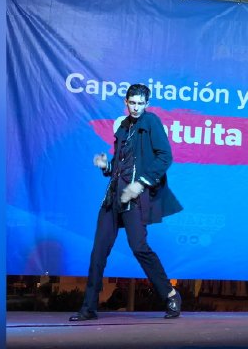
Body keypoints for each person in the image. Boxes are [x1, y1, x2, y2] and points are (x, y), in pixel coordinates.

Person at [69, 84, 184, 321]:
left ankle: (171, 294)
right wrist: (107, 167)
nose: (136, 107)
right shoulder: (122, 126)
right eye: (133, 102)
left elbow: (165, 157)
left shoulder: (151, 122)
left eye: (141, 103)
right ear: (126, 101)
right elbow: (120, 164)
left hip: (134, 197)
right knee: (98, 251)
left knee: (139, 247)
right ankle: (89, 307)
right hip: (113, 197)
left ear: (147, 104)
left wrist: (140, 183)